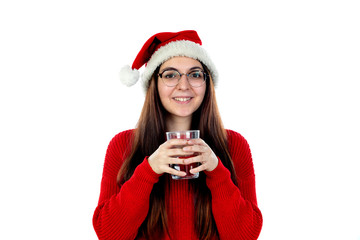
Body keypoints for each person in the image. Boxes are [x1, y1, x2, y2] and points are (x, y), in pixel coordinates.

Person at [93, 30, 263, 240]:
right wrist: (148, 171)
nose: (184, 85)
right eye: (171, 75)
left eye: (195, 74)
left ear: (206, 83)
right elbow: (109, 235)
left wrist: (217, 170)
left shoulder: (235, 145)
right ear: (154, 84)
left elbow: (245, 237)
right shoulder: (123, 145)